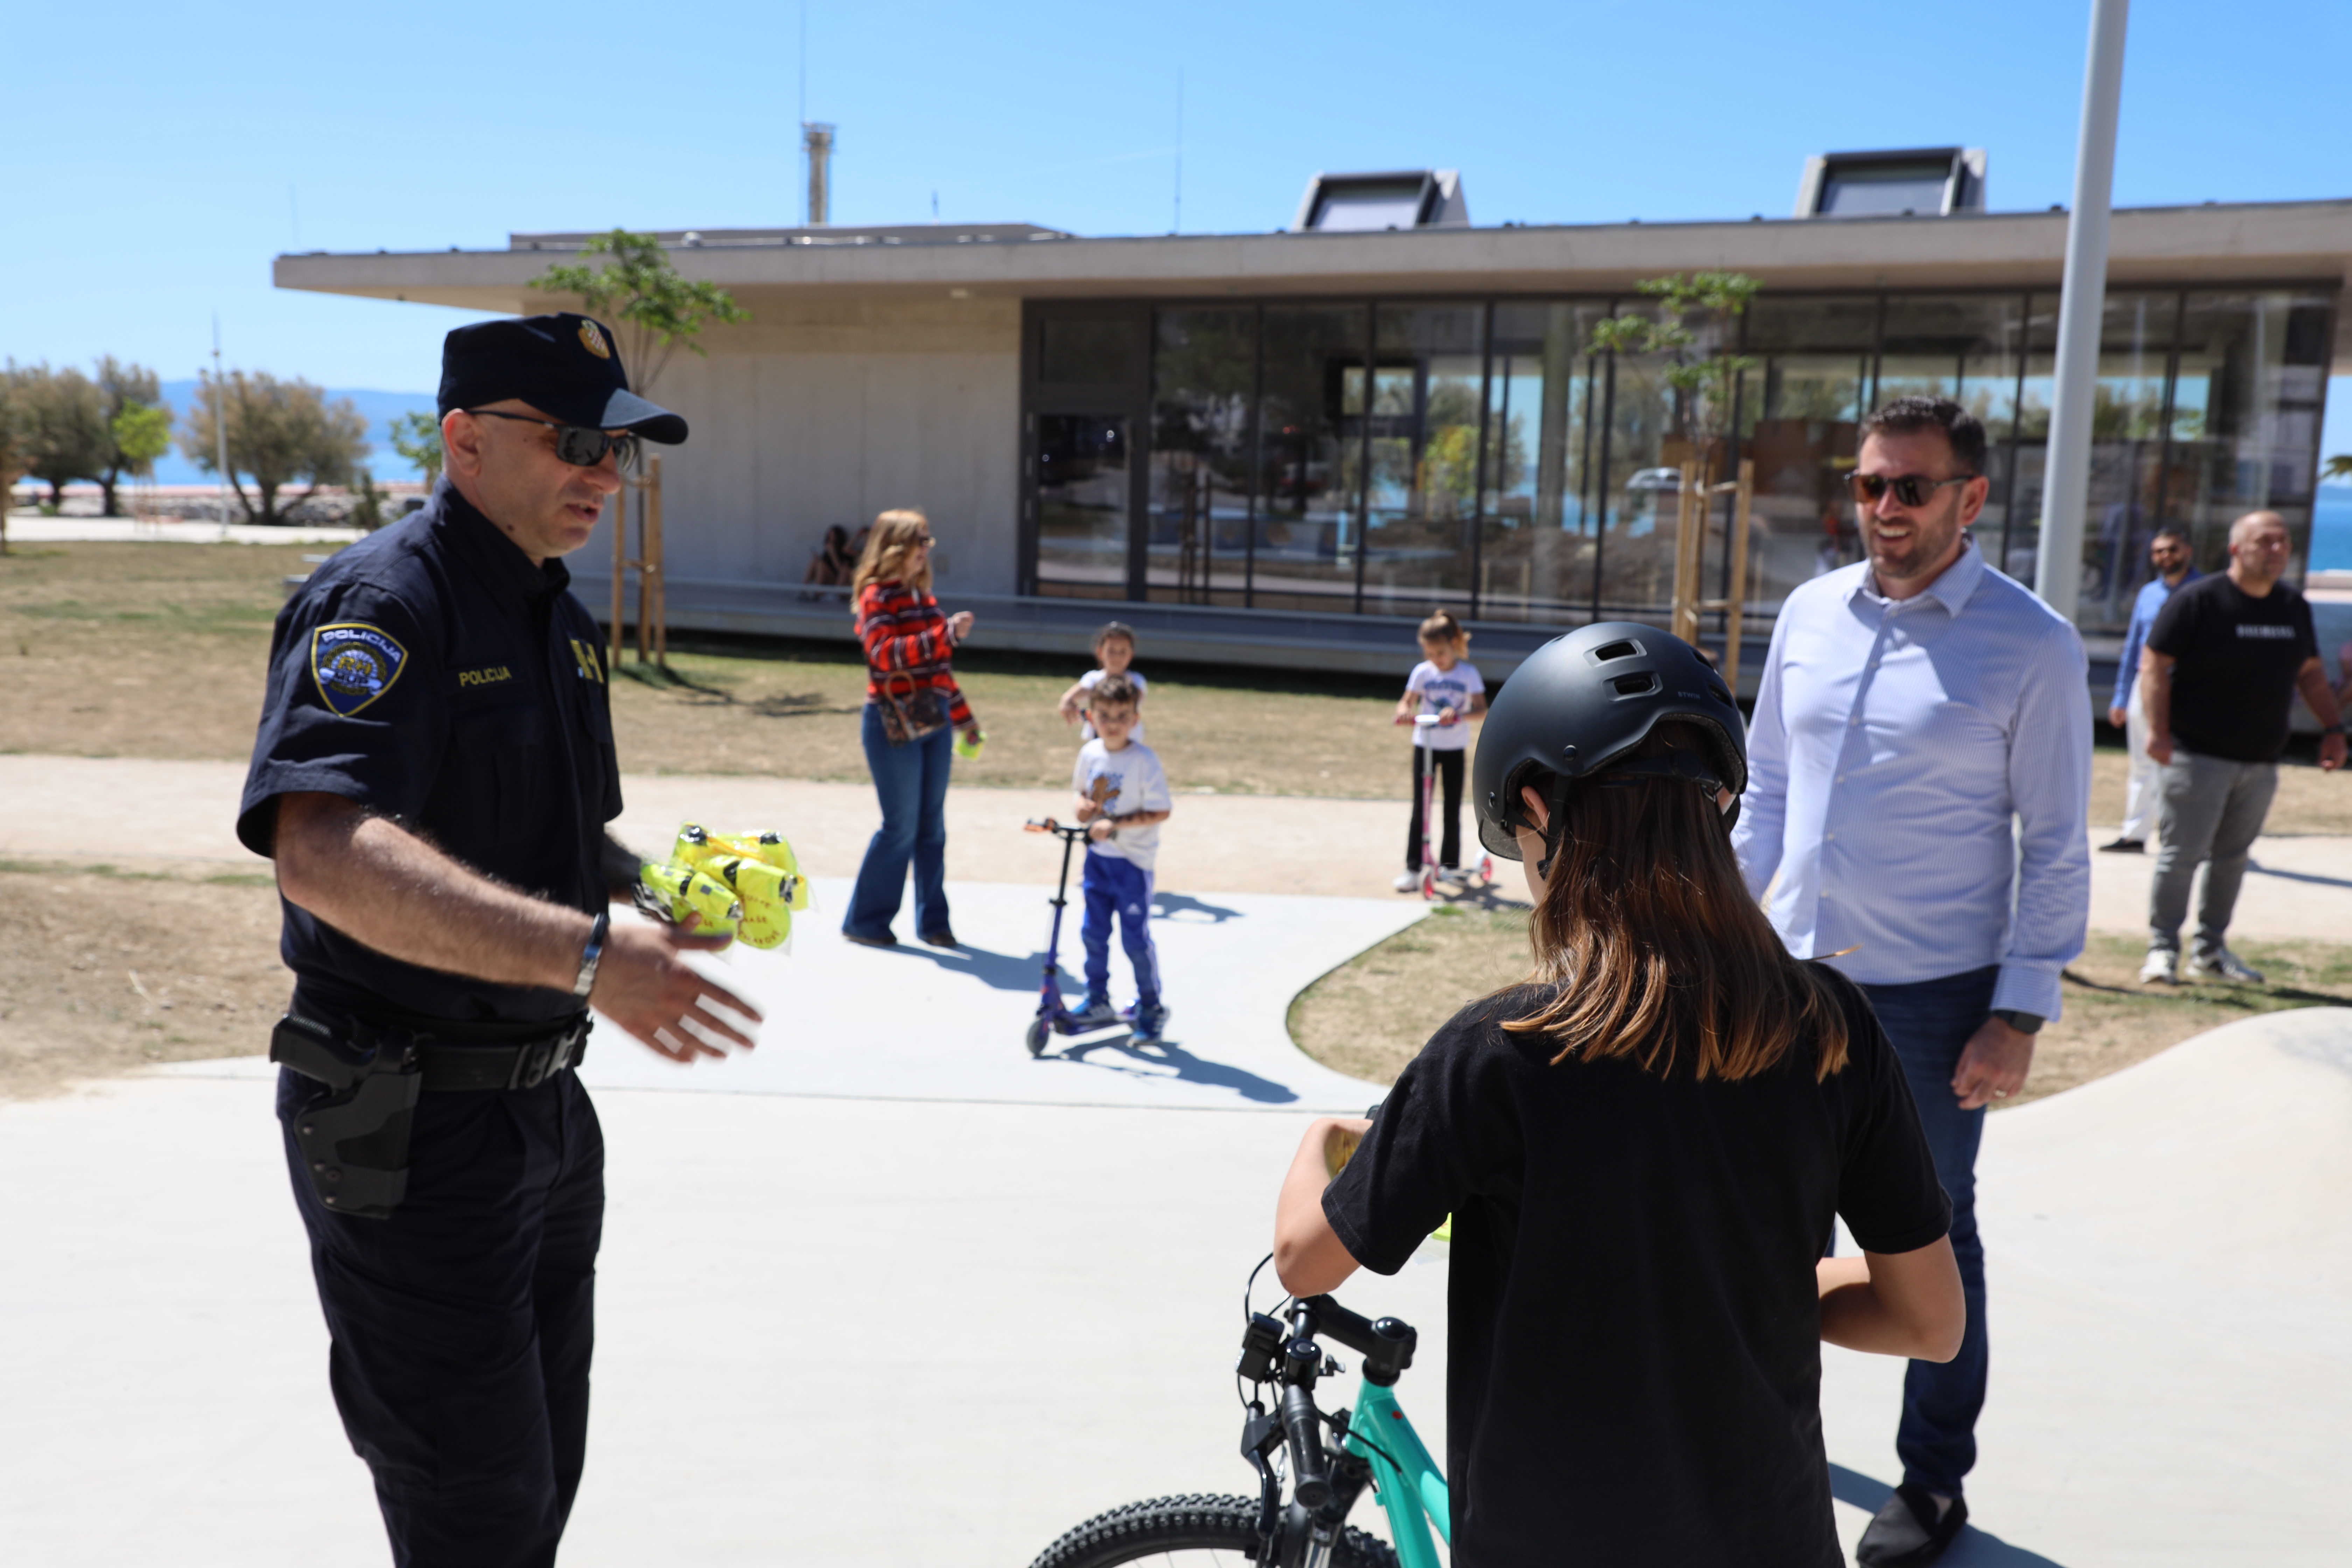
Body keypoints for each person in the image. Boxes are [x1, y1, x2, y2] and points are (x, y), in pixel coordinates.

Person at [237, 312, 764, 1568]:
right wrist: (589, 954)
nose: (603, 472)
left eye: (621, 450)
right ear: (464, 440)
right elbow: (321, 849)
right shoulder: (381, 600)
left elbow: (562, 841)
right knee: (469, 1511)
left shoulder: (556, 616)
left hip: (542, 1114)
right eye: (576, 441)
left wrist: (656, 893)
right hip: (403, 1122)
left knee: (534, 1494)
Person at [1274, 624, 1963, 1568]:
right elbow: (1928, 1320)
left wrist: (1321, 1143)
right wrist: (1734, 1288)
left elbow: (1306, 1263)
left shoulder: (1498, 1053)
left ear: (1533, 806)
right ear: (1719, 805)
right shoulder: (1826, 1025)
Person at [1733, 396, 2091, 1567]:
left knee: (1928, 1251)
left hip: (1937, 1004)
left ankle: (1932, 1483)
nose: (1884, 508)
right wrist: (1722, 938)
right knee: (1759, 1228)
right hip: (1788, 985)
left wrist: (2018, 1013)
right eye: (1870, 484)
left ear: (1971, 499)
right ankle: (1754, 1439)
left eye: (1912, 487)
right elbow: (1770, 792)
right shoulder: (1807, 613)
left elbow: (2057, 841)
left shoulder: (2031, 645)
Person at [2136, 510, 2346, 985]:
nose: (2277, 550)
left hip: (2260, 760)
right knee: (2181, 855)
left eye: (2284, 542)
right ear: (2236, 548)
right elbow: (2154, 665)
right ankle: (2162, 949)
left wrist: (2334, 728)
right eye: (2265, 542)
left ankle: (2210, 952)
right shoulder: (2199, 601)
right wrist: (2159, 732)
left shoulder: (2293, 607)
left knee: (2233, 859)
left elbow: (2311, 673)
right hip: (2196, 755)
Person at [842, 509, 982, 950]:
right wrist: (945, 634)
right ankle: (866, 921)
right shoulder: (875, 596)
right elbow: (884, 655)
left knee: (931, 827)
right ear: (897, 548)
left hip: (933, 719)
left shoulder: (925, 600)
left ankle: (933, 923)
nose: (926, 549)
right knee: (899, 826)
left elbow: (938, 670)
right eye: (920, 541)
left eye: (928, 541)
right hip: (889, 723)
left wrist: (965, 719)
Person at [1066, 675, 1174, 1042]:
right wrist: (1082, 806)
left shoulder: (1144, 760)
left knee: (1134, 940)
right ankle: (1096, 998)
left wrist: (1116, 824)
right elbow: (1081, 793)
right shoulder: (1090, 753)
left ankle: (1151, 1006)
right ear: (1092, 716)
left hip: (1133, 864)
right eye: (1105, 715)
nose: (1113, 723)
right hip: (1098, 860)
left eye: (1122, 716)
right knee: (1092, 933)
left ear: (1135, 719)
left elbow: (1161, 810)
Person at [2102, 527, 2199, 852]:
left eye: (2172, 549)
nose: (2165, 556)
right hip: (2144, 687)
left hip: (2188, 689)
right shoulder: (2148, 594)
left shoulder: (2205, 591)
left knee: (2186, 766)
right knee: (2142, 764)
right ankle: (2135, 834)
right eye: (2159, 551)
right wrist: (2120, 695)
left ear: (2188, 551)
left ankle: (2183, 838)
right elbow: (2133, 648)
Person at [1390, 608, 1486, 893]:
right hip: (1426, 745)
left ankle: (1451, 866)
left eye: (1440, 653)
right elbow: (1405, 703)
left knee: (1452, 806)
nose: (1435, 659)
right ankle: (1414, 867)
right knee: (1421, 806)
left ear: (1454, 645)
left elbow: (1481, 710)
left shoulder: (1468, 674)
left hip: (1453, 747)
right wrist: (1406, 713)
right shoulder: (1422, 672)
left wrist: (1458, 714)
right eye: (1430, 653)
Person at [1057, 620, 1148, 744]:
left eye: (1123, 651)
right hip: (1098, 740)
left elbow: (1135, 696)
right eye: (1112, 651)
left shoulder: (1136, 681)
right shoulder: (1093, 679)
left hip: (1128, 742)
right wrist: (1068, 701)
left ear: (1131, 655)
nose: (1117, 656)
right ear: (1100, 652)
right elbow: (1081, 691)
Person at [800, 523, 857, 598]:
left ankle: (817, 592)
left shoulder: (843, 551)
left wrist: (833, 554)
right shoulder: (829, 549)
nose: (831, 537)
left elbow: (841, 571)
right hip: (827, 578)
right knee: (815, 563)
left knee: (821, 565)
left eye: (833, 535)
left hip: (837, 581)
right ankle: (803, 589)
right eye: (829, 535)